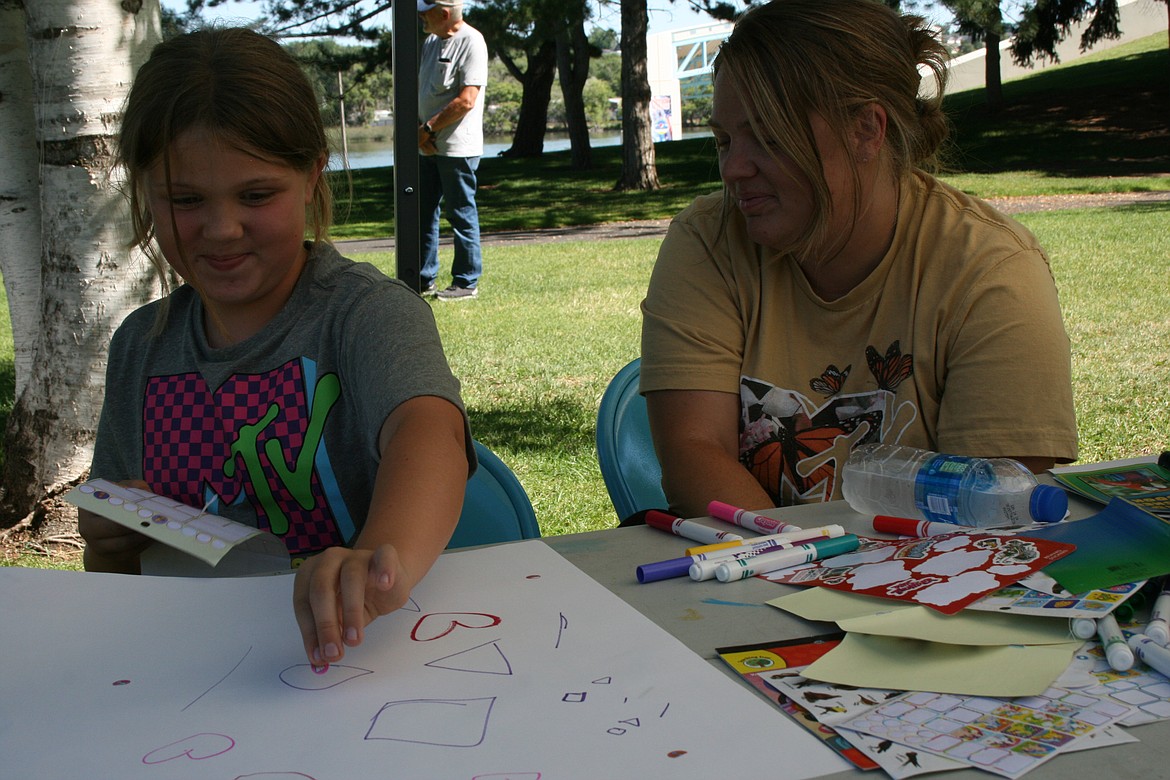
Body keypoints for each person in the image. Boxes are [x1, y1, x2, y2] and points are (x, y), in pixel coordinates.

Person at [77, 28, 476, 669]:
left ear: (313, 173)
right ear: (144, 194)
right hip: (196, 675)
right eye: (185, 200)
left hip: (357, 664)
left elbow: (430, 437)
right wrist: (111, 546)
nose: (222, 228)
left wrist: (376, 562)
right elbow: (119, 585)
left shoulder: (363, 314)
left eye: (256, 195)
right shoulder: (139, 350)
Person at [639, 0, 1078, 520]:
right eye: (725, 139)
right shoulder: (708, 240)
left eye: (769, 136)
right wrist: (792, 561)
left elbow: (994, 508)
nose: (733, 168)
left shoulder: (992, 272)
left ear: (867, 130)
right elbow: (693, 450)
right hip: (760, 571)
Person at [416, 0, 487, 300]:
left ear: (444, 14)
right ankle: (422, 278)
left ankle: (466, 283)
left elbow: (466, 100)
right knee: (422, 213)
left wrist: (428, 129)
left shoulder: (472, 41)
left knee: (460, 213)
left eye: (425, 11)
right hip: (427, 144)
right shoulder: (431, 41)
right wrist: (421, 134)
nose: (420, 15)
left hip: (457, 147)